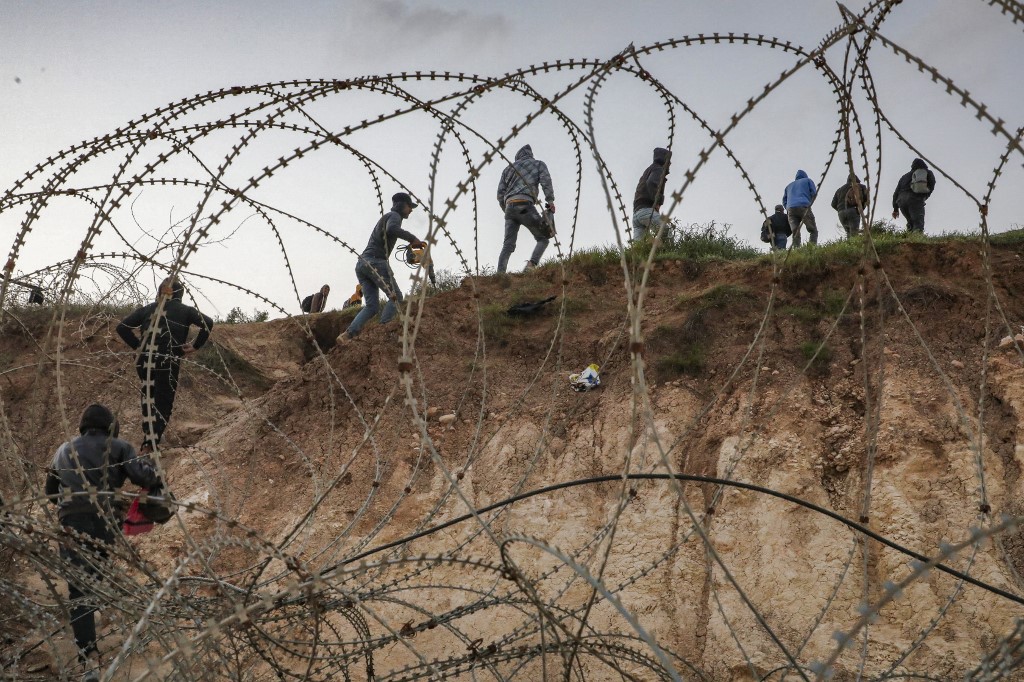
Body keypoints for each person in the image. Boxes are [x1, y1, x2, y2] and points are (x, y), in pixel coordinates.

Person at [44, 404, 161, 680]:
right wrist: (150, 466)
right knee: (94, 576)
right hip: (105, 521)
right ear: (111, 427)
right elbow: (143, 476)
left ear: (83, 427)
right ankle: (94, 615)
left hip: (72, 521)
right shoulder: (119, 446)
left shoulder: (63, 451)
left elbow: (50, 492)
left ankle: (88, 661)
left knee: (79, 589)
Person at [116, 276, 214, 452]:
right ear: (180, 294)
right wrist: (195, 345)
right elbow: (208, 322)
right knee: (163, 400)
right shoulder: (185, 311)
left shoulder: (148, 310)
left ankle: (148, 439)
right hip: (167, 359)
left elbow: (122, 327)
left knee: (148, 397)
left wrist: (138, 346)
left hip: (144, 360)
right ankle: (150, 442)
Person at [337, 193, 425, 343]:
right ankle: (383, 329)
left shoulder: (387, 217)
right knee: (396, 296)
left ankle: (348, 334)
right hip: (376, 262)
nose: (411, 210)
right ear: (401, 205)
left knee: (372, 306)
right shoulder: (395, 216)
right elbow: (392, 229)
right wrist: (413, 239)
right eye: (409, 207)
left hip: (362, 264)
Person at [496, 144, 555, 273]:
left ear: (518, 156)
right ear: (530, 154)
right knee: (543, 239)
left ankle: (499, 274)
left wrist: (505, 209)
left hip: (509, 208)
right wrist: (550, 201)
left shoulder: (508, 169)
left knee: (508, 245)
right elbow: (546, 182)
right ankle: (530, 266)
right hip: (525, 204)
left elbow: (500, 193)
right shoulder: (538, 164)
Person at [632, 147, 672, 240]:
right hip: (646, 211)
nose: (670, 163)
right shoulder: (658, 169)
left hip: (636, 215)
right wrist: (657, 201)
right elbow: (651, 183)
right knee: (666, 232)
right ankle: (669, 254)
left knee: (639, 248)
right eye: (669, 161)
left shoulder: (648, 170)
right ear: (664, 160)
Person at [891, 158, 936, 233]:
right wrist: (924, 196)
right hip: (915, 199)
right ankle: (917, 240)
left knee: (910, 222)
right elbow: (932, 185)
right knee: (918, 222)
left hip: (901, 200)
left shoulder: (904, 176)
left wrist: (895, 209)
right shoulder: (927, 172)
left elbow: (896, 192)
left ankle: (910, 239)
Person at [782, 170, 818, 247]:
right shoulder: (808, 180)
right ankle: (812, 248)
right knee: (813, 230)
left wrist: (787, 207)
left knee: (795, 232)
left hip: (791, 210)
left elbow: (784, 200)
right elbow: (814, 193)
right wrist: (809, 203)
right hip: (804, 206)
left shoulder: (788, 186)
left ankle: (796, 250)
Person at [831, 172, 869, 238]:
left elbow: (833, 204)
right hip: (853, 210)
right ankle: (855, 248)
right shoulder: (861, 186)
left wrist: (841, 210)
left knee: (848, 234)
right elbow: (866, 200)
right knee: (854, 234)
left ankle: (849, 247)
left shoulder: (839, 190)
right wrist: (860, 209)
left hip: (841, 213)